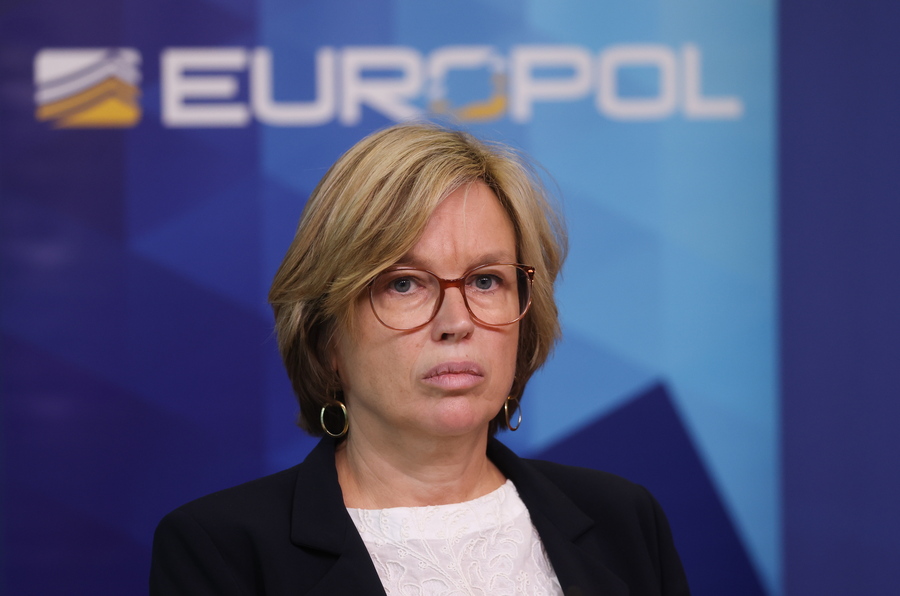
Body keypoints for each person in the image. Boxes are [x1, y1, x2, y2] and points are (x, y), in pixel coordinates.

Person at [150, 123, 691, 595]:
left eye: (486, 280)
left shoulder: (624, 520)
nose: (456, 322)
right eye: (404, 284)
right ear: (326, 336)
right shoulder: (222, 550)